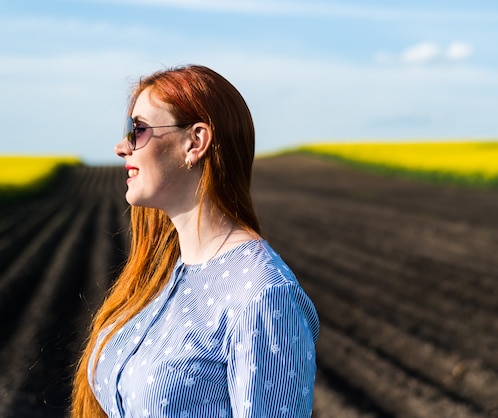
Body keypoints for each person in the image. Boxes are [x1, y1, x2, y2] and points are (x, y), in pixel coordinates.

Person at [71, 65, 319, 417]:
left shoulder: (262, 295)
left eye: (138, 130)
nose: (121, 147)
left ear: (196, 142)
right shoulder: (162, 273)